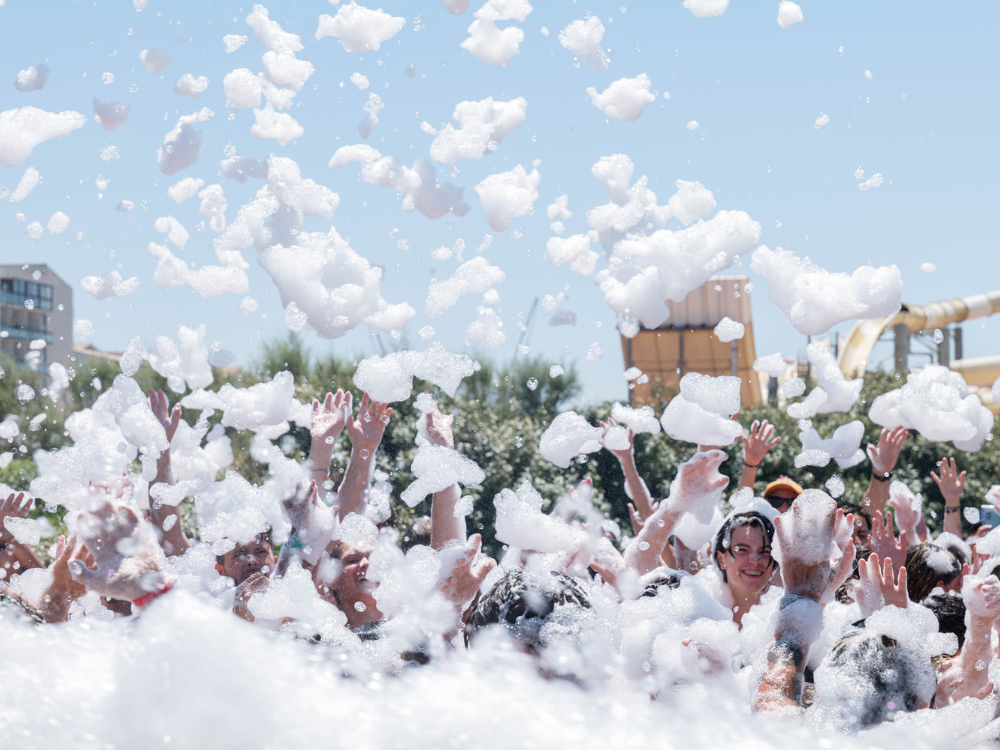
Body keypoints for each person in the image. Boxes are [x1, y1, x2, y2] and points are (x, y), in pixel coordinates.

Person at [712, 510, 778, 629]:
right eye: (742, 549)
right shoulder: (703, 620)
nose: (755, 560)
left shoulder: (781, 622)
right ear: (721, 560)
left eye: (765, 551)